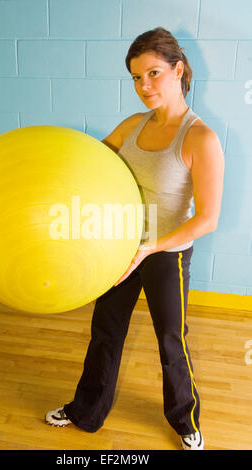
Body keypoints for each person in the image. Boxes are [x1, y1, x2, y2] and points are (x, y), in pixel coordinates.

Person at [45, 27, 224, 450]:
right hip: (120, 247)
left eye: (154, 73)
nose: (144, 86)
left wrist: (152, 246)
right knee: (105, 332)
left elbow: (208, 219)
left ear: (178, 70)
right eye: (136, 78)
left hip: (166, 254)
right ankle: (85, 411)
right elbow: (90, 164)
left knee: (171, 341)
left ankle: (185, 421)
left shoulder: (200, 137)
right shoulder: (131, 125)